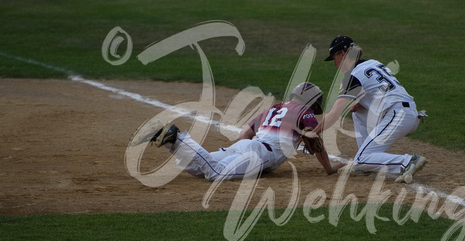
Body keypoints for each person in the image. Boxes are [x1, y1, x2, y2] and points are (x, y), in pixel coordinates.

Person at [134, 82, 344, 181]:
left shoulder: (273, 109)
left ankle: (170, 142)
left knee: (197, 169)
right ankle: (178, 137)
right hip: (260, 153)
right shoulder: (304, 110)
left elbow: (244, 134)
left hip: (244, 146)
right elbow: (314, 138)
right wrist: (329, 169)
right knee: (215, 173)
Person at [306, 36, 427, 183]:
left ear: (343, 54)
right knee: (358, 111)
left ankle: (408, 161)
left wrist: (314, 133)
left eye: (334, 58)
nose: (334, 64)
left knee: (361, 159)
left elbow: (334, 114)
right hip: (408, 112)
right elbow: (385, 90)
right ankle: (366, 165)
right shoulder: (374, 63)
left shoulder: (352, 76)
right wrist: (363, 103)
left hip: (397, 116)